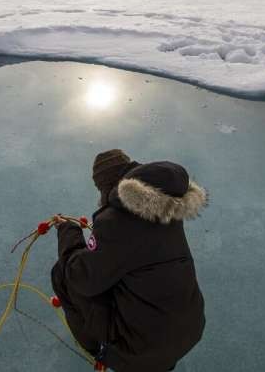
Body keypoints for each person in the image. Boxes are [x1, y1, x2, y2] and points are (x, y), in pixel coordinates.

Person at [51, 149, 208, 372]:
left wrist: (68, 231)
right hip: (189, 331)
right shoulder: (165, 208)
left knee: (63, 274)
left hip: (140, 350)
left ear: (106, 184)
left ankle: (103, 351)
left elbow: (80, 276)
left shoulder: (117, 220)